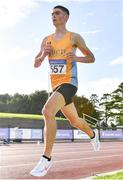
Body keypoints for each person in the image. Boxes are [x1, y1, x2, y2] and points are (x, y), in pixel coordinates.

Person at [30, 5, 100, 177]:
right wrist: (43, 55)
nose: (53, 16)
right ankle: (93, 134)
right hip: (56, 86)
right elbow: (36, 63)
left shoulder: (74, 37)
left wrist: (76, 57)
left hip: (70, 83)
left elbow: (91, 58)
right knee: (75, 121)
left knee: (47, 111)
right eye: (52, 14)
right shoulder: (46, 40)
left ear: (66, 17)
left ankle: (46, 159)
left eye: (57, 13)